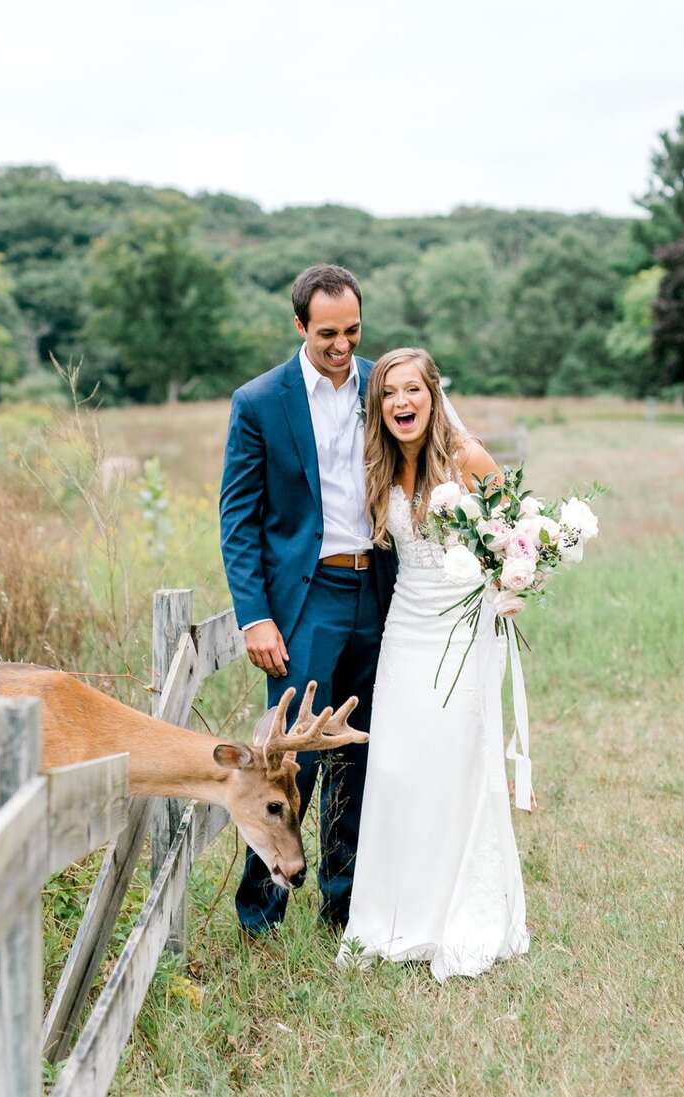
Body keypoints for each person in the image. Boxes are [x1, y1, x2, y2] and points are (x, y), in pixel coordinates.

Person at [339, 347, 530, 980]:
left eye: (413, 390)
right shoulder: (379, 466)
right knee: (396, 767)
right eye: (389, 392)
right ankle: (393, 913)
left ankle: (454, 912)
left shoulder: (467, 458)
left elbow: (516, 531)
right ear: (379, 405)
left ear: (432, 394)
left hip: (464, 632)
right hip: (406, 630)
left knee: (454, 765)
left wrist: (513, 583)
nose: (401, 402)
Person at [219, 264, 397, 936]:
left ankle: (344, 912)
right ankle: (260, 918)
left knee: (361, 754)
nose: (342, 345)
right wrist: (254, 613)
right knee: (290, 764)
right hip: (307, 599)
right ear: (300, 325)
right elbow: (238, 519)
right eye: (328, 333)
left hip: (380, 592)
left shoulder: (385, 382)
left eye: (353, 330)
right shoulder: (260, 400)